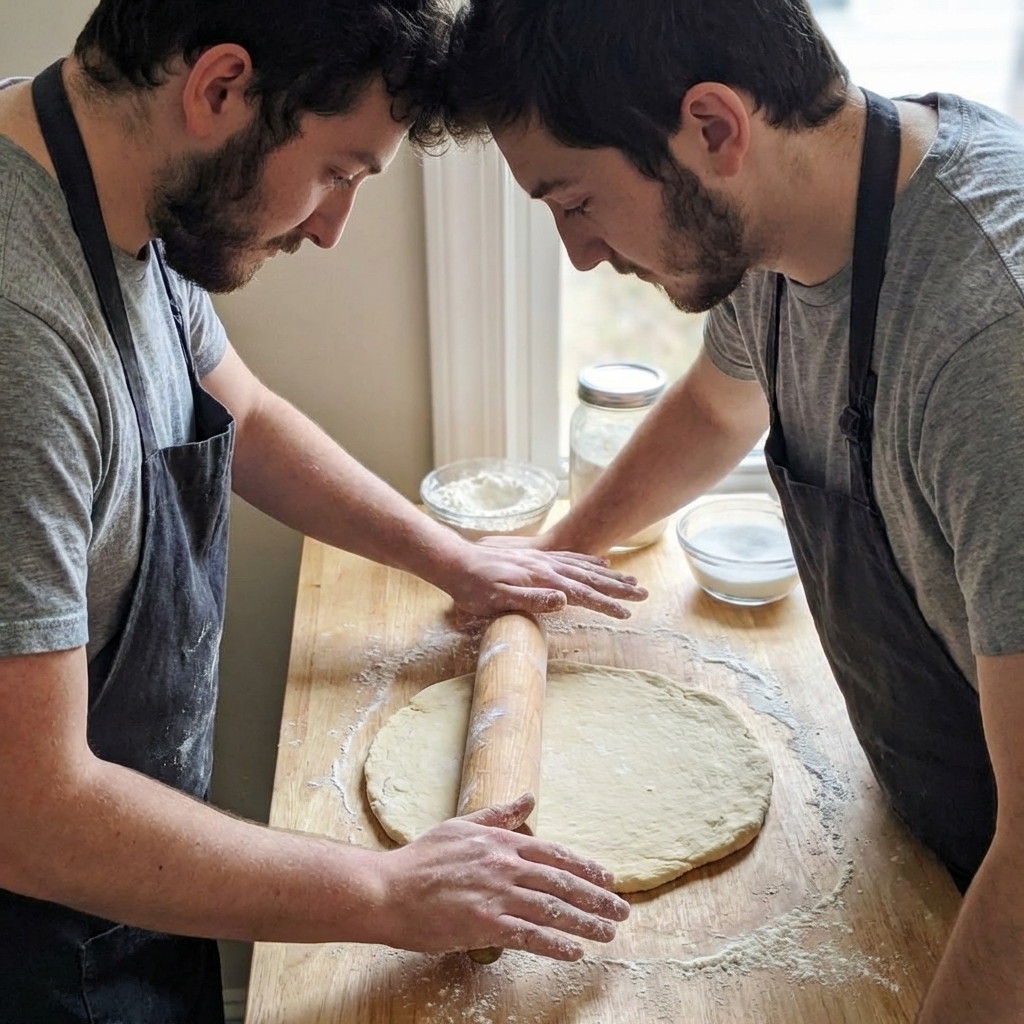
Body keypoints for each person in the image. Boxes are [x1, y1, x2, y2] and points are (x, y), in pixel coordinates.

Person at [0, 1, 644, 1019]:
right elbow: (28, 811)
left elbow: (237, 411)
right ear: (219, 88)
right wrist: (389, 891)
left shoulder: (122, 190)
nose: (332, 227)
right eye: (341, 172)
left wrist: (451, 559)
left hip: (133, 876)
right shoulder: (19, 338)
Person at [441, 0, 1024, 1020]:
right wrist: (549, 563)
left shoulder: (987, 336)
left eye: (573, 201)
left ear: (712, 128)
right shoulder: (781, 231)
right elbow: (716, 409)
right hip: (947, 839)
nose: (578, 255)